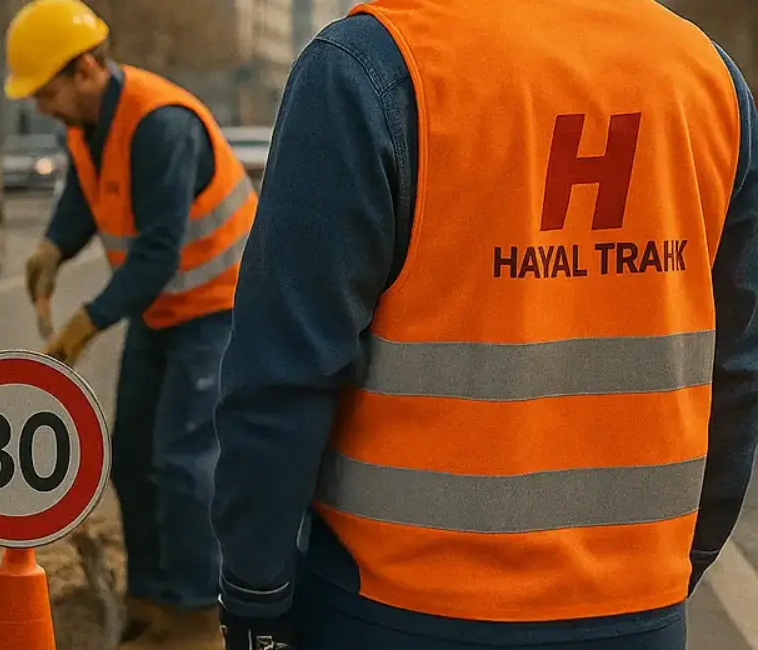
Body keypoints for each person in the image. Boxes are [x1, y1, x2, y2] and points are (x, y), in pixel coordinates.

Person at [211, 0, 758, 648]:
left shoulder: (372, 68)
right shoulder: (706, 76)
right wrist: (670, 569)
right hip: (637, 611)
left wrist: (256, 594)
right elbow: (736, 365)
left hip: (396, 609)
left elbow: (284, 371)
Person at [3, 1, 258, 648]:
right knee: (133, 456)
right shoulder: (86, 123)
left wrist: (87, 323)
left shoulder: (160, 125)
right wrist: (54, 246)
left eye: (47, 90)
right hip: (162, 307)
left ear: (86, 68)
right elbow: (83, 196)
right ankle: (150, 602)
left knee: (182, 462)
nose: (41, 105)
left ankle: (200, 618)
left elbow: (156, 252)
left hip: (217, 306)